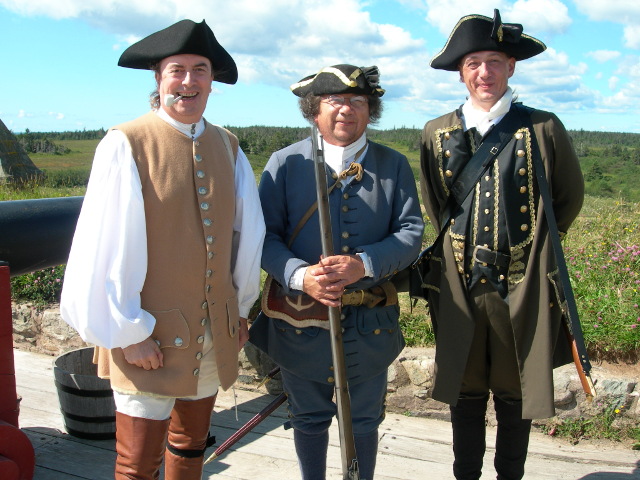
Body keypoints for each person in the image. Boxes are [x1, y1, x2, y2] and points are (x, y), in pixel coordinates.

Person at [60, 19, 265, 480]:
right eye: (177, 70)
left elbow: (247, 236)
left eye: (199, 70)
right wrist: (128, 332)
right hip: (146, 337)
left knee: (190, 448)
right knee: (137, 464)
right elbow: (104, 245)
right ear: (158, 78)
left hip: (213, 333)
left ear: (211, 81)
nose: (188, 81)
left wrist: (239, 311)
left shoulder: (229, 146)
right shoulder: (126, 143)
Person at [419, 10, 584, 480]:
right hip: (461, 286)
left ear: (511, 66)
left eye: (494, 61)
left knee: (516, 395)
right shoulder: (436, 132)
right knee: (465, 392)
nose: (484, 72)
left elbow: (568, 197)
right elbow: (435, 202)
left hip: (521, 287)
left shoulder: (543, 128)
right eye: (473, 63)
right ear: (461, 72)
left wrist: (534, 253)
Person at [249, 64, 424, 479]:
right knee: (308, 417)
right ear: (314, 109)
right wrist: (300, 276)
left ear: (370, 110)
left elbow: (410, 232)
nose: (347, 109)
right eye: (335, 100)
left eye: (357, 101)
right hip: (300, 320)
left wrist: (364, 264)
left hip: (370, 324)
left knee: (363, 419)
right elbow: (264, 236)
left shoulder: (394, 164)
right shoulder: (284, 163)